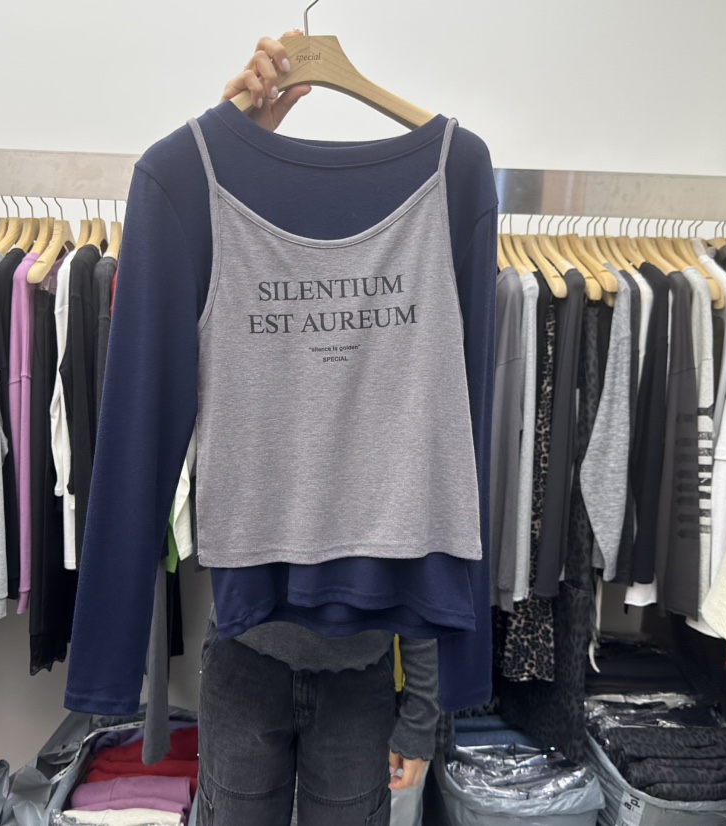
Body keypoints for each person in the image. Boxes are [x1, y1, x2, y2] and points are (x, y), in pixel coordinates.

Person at [194, 31, 440, 826]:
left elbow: (426, 501)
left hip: (362, 671)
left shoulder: (407, 293)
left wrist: (421, 710)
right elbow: (182, 225)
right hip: (246, 653)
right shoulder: (235, 267)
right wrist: (229, 139)